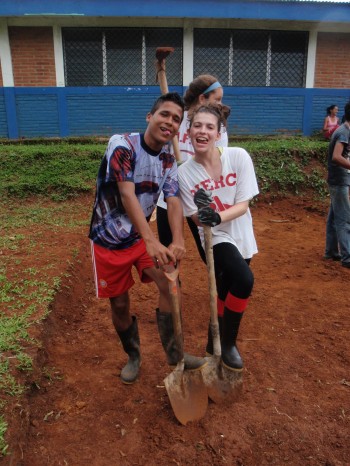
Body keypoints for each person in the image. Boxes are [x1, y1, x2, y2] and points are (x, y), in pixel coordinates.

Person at [88, 92, 206, 384]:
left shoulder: (168, 159)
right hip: (109, 241)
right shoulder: (122, 144)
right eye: (164, 114)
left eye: (176, 119)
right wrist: (152, 240)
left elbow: (174, 198)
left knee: (170, 282)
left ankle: (175, 354)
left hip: (140, 240)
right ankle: (133, 354)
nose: (169, 122)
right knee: (119, 305)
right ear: (149, 117)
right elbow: (127, 193)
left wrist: (178, 239)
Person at [178, 103, 259, 371]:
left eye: (209, 127)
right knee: (244, 279)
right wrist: (205, 214)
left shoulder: (238, 157)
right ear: (189, 131)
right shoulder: (184, 173)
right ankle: (229, 344)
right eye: (197, 126)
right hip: (215, 237)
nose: (202, 131)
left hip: (240, 230)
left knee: (225, 290)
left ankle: (211, 344)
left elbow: (243, 205)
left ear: (218, 132)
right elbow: (196, 220)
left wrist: (216, 214)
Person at [156, 75, 228, 263]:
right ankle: (173, 289)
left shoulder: (218, 129)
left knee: (210, 251)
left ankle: (220, 290)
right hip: (169, 197)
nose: (221, 104)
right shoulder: (175, 121)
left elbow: (218, 163)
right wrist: (173, 166)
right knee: (168, 251)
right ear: (202, 98)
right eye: (217, 99)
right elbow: (159, 153)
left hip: (199, 195)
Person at [324, 101, 350, 268]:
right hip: (339, 180)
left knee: (334, 217)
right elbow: (336, 156)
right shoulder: (343, 133)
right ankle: (348, 257)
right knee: (344, 219)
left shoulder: (345, 131)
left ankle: (331, 251)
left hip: (339, 179)